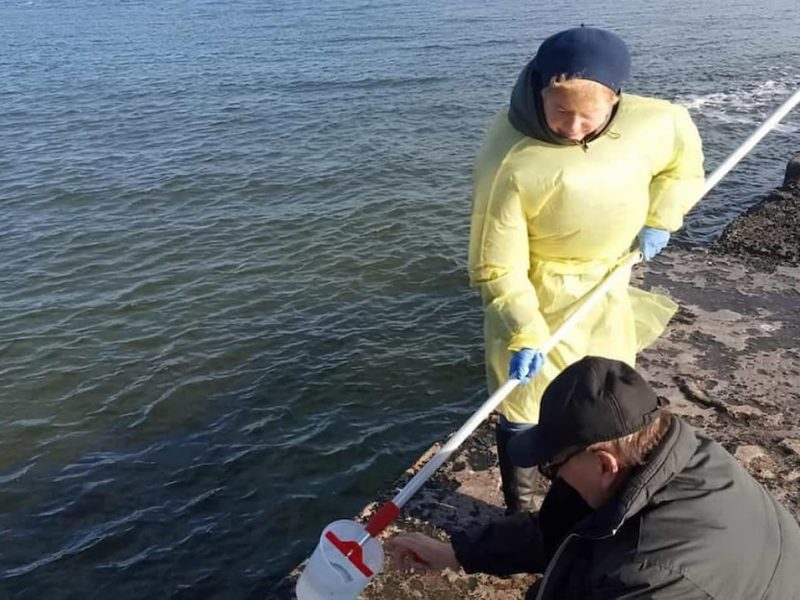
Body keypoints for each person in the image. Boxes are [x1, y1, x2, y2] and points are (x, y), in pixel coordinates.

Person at [467, 26, 705, 512]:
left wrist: (660, 217)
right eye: (560, 113)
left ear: (616, 100)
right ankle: (525, 507)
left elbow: (681, 167)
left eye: (587, 117)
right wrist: (524, 328)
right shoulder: (510, 161)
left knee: (608, 396)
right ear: (539, 92)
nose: (574, 128)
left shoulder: (656, 122)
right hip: (538, 293)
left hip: (607, 284)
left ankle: (606, 492)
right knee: (525, 404)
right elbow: (496, 260)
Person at [387, 356, 800, 599]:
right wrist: (458, 553)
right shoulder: (676, 456)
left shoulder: (651, 576)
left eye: (552, 466)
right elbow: (559, 533)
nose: (550, 478)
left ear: (605, 463)